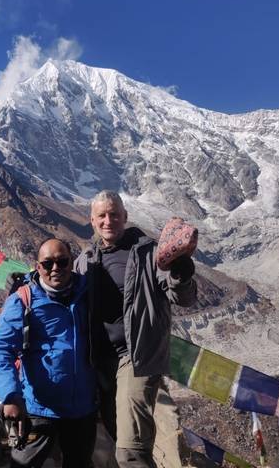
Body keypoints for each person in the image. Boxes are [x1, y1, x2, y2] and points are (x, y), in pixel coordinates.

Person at [73, 190, 197, 468]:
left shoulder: (149, 252)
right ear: (92, 220)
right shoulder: (85, 260)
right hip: (99, 365)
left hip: (135, 357)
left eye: (114, 214)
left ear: (125, 217)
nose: (108, 221)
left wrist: (181, 273)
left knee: (130, 452)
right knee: (119, 439)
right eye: (102, 215)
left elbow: (184, 298)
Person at [0, 239, 97, 468]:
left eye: (62, 261)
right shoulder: (23, 300)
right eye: (48, 264)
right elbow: (0, 351)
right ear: (38, 267)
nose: (55, 268)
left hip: (82, 407)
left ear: (71, 264)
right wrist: (10, 396)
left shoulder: (88, 292)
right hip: (39, 407)